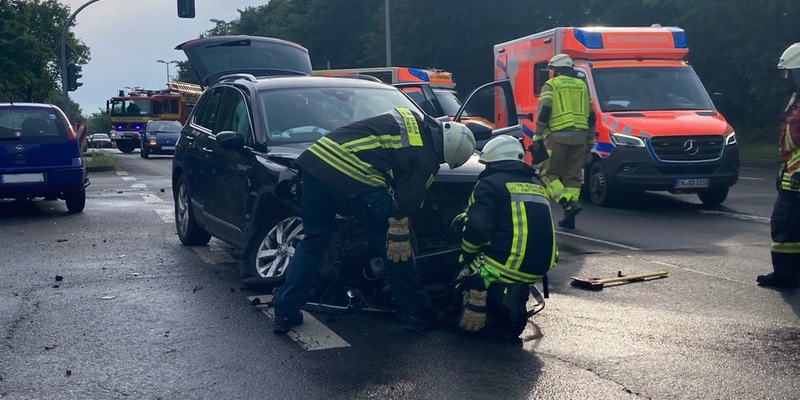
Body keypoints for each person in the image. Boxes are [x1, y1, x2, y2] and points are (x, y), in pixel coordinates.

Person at [271, 106, 477, 333]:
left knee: (314, 239)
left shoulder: (409, 117)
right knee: (395, 246)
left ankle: (285, 311)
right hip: (354, 173)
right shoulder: (426, 157)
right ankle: (416, 312)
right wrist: (400, 226)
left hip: (316, 161)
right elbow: (407, 203)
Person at [453, 135, 557, 339]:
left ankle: (486, 302)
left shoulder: (489, 184)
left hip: (505, 266)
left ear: (492, 161)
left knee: (461, 278)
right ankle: (512, 298)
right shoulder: (537, 184)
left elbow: (477, 229)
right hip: (541, 267)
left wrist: (465, 254)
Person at [530, 53, 596, 229]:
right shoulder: (582, 86)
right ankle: (570, 218)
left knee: (547, 174)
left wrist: (537, 135)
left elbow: (545, 111)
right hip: (580, 139)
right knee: (572, 177)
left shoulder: (551, 85)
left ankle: (567, 203)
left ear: (557, 70)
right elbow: (591, 116)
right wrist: (589, 141)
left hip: (556, 138)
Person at [757, 42, 800, 288]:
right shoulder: (794, 98)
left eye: (791, 73)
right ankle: (788, 272)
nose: (788, 78)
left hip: (797, 175)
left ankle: (786, 273)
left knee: (786, 223)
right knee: (787, 224)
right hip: (791, 173)